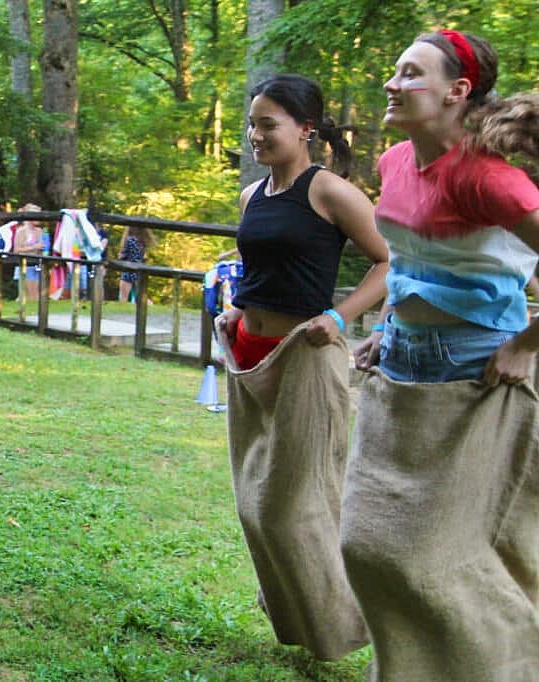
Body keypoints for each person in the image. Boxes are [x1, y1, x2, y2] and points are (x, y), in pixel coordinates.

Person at [341, 32, 539, 679]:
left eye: (410, 73)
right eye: (394, 72)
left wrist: (525, 344)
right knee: (366, 546)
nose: (392, 85)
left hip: (475, 374)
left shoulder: (492, 181)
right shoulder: (394, 162)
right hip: (399, 365)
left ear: (457, 91)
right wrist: (386, 322)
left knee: (430, 560)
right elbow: (407, 257)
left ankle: (509, 659)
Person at [214, 74, 389, 661]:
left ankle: (348, 627)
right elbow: (260, 267)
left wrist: (338, 320)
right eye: (252, 123)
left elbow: (388, 264)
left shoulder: (331, 192)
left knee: (293, 505)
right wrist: (237, 307)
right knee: (253, 504)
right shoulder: (252, 195)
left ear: (305, 129)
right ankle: (300, 624)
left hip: (306, 357)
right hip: (247, 356)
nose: (255, 134)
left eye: (268, 124)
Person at [12, 203, 44, 301]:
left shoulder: (40, 231)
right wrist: (34, 247)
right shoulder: (21, 231)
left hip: (36, 266)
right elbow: (16, 250)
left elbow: (41, 249)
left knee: (37, 296)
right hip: (25, 265)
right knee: (28, 295)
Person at [117, 226, 156, 302]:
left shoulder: (129, 240)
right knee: (140, 296)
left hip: (128, 270)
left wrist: (121, 255)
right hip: (138, 270)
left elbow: (123, 256)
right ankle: (149, 305)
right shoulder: (142, 242)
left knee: (123, 296)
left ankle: (122, 312)